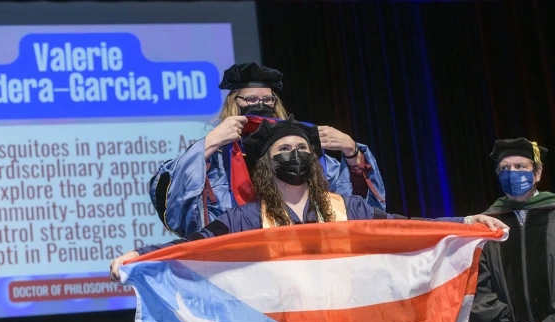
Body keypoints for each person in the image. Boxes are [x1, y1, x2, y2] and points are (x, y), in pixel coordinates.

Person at [111, 115, 507, 277]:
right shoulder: (244, 219)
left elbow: (406, 228)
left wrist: (465, 222)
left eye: (302, 149)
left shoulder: (346, 208)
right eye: (282, 151)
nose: (294, 156)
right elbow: (192, 246)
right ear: (265, 165)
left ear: (315, 160)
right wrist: (141, 255)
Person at [149, 62, 386, 237]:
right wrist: (208, 144)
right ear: (234, 102)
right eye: (250, 99)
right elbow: (175, 205)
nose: (260, 106)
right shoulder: (217, 155)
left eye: (267, 99)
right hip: (236, 252)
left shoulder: (298, 149)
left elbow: (354, 208)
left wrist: (352, 151)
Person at [468, 138, 555, 322]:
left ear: (537, 172)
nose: (512, 172)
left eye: (520, 166)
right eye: (504, 167)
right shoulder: (487, 225)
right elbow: (475, 288)